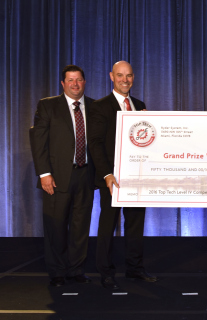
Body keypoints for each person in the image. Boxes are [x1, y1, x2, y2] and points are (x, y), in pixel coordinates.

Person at [87, 61, 157, 290]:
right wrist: (107, 174)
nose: (124, 80)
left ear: (133, 77)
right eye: (120, 75)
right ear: (111, 76)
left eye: (128, 76)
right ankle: (105, 271)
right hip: (113, 179)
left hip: (137, 177)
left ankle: (134, 269)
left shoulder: (140, 105)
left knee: (136, 224)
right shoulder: (99, 106)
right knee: (107, 224)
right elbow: (95, 144)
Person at [29, 65, 95, 287]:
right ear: (63, 83)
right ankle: (57, 272)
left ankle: (76, 270)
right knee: (56, 226)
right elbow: (38, 141)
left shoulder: (95, 107)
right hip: (56, 178)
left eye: (78, 80)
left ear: (84, 82)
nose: (75, 84)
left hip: (86, 176)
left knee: (80, 226)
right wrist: (44, 174)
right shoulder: (48, 106)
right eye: (70, 80)